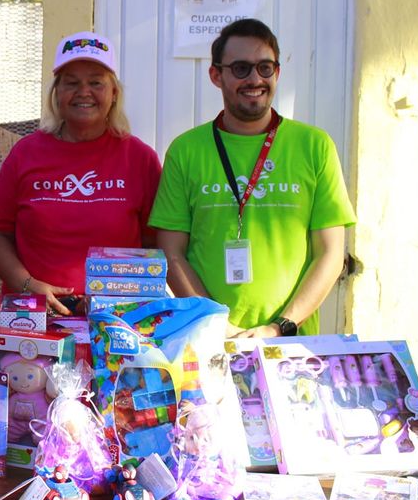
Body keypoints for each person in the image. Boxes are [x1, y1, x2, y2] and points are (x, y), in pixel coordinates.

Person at [149, 18, 355, 337]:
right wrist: (217, 324)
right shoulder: (186, 150)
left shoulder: (315, 146)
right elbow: (171, 252)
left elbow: (330, 253)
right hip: (208, 339)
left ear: (277, 72)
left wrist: (280, 326)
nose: (255, 79)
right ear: (216, 75)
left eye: (265, 67)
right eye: (241, 68)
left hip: (291, 342)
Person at [0, 31, 161, 314]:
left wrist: (120, 298)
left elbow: (155, 245)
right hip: (35, 315)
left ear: (114, 93)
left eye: (96, 83)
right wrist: (27, 285)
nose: (83, 92)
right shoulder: (25, 154)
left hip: (116, 319)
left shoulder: (140, 158)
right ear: (57, 93)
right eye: (72, 83)